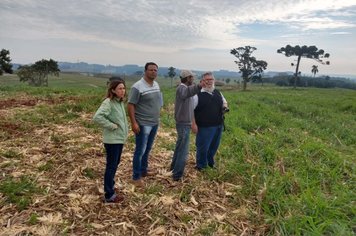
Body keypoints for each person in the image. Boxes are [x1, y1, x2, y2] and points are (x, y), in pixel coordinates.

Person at [93, 78, 128, 203]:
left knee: (114, 165)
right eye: (119, 88)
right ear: (113, 90)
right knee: (111, 166)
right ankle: (109, 195)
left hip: (118, 139)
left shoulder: (119, 102)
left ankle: (111, 188)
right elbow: (97, 117)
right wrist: (112, 126)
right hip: (112, 140)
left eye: (123, 88)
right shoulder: (108, 102)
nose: (122, 91)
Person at [127, 62, 162, 186]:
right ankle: (136, 177)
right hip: (143, 123)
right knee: (140, 150)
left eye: (155, 70)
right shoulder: (138, 87)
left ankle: (143, 170)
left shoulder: (156, 84)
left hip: (154, 122)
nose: (154, 72)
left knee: (147, 149)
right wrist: (134, 123)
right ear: (145, 71)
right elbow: (131, 105)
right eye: (151, 70)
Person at [170, 70, 205, 181]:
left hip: (184, 123)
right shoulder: (182, 88)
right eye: (192, 78)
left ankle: (173, 169)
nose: (193, 79)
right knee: (183, 150)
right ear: (187, 78)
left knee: (180, 147)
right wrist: (199, 86)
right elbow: (188, 92)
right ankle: (177, 175)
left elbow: (190, 92)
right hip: (183, 123)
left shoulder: (184, 88)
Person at [193, 72, 228, 171]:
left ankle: (210, 163)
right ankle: (201, 166)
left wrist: (225, 107)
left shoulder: (217, 92)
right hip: (204, 126)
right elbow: (190, 110)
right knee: (203, 147)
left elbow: (224, 102)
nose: (209, 81)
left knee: (213, 147)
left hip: (218, 125)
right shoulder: (197, 95)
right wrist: (193, 124)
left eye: (211, 79)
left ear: (214, 81)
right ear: (202, 81)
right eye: (206, 80)